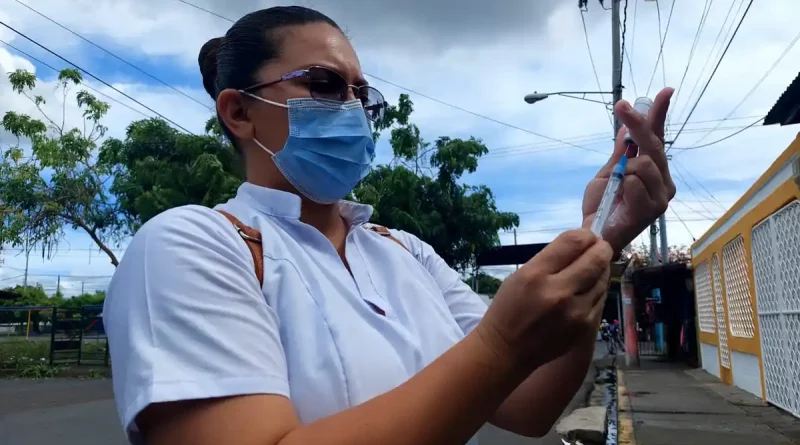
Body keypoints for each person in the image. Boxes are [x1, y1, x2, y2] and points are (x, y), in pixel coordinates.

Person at [103, 6, 675, 445]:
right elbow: (501, 359)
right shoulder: (188, 245)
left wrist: (603, 237)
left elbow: (527, 405)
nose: (352, 109)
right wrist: (499, 345)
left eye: (361, 94)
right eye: (324, 85)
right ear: (239, 110)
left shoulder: (406, 253)